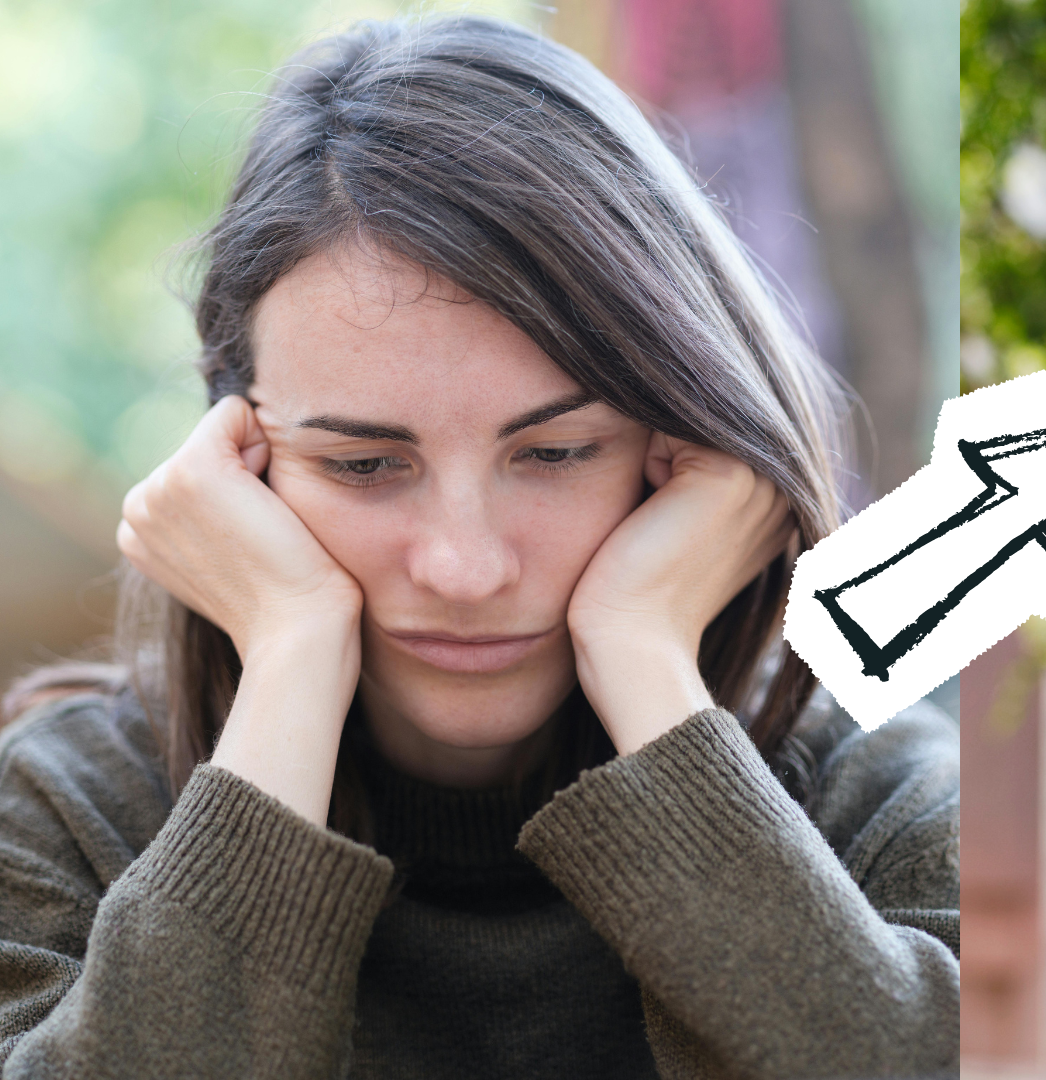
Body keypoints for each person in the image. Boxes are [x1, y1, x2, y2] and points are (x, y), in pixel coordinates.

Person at [0, 15, 956, 1080]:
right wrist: (290, 661)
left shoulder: (877, 797)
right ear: (235, 458)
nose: (465, 568)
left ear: (684, 447)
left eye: (554, 453)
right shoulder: (64, 809)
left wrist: (641, 653)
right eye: (363, 466)